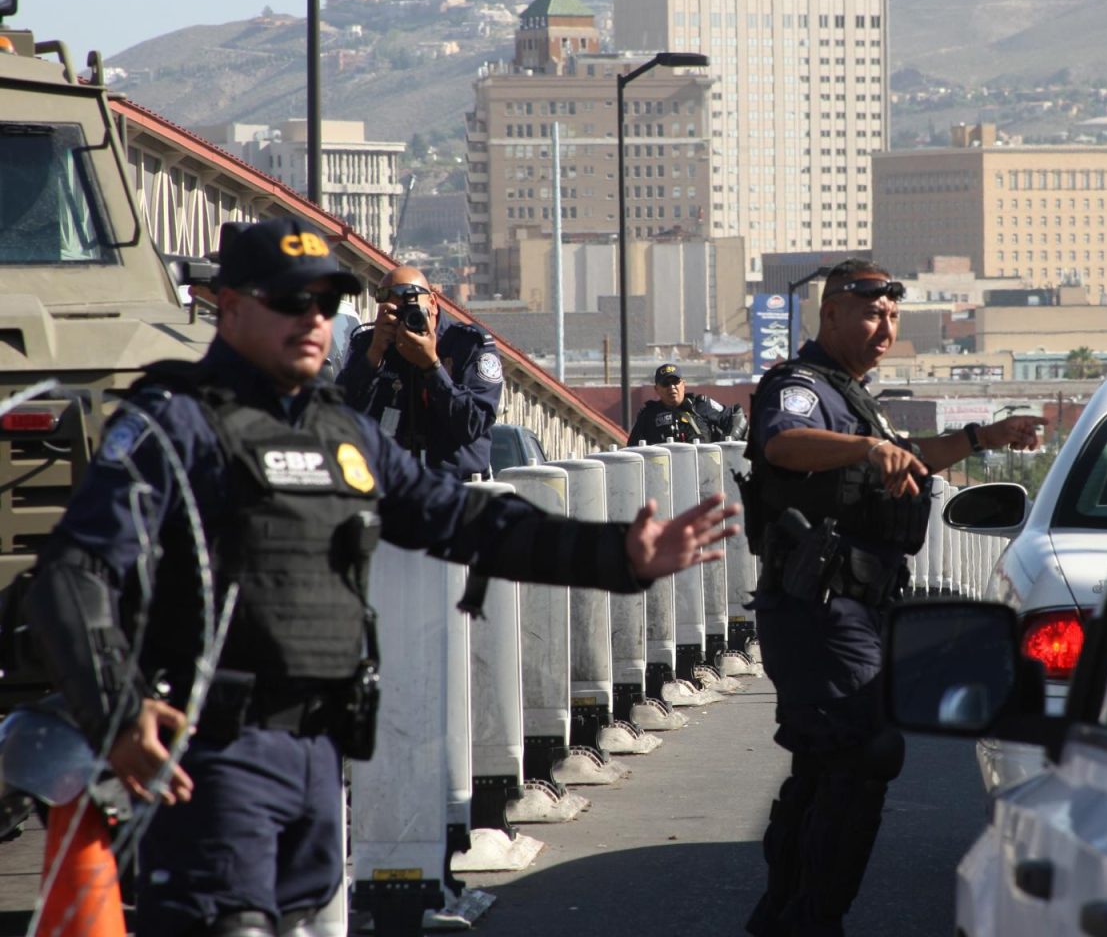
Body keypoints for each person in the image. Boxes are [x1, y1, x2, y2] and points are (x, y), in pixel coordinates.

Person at [21, 215, 737, 937]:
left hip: (322, 760)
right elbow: (73, 573)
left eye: (326, 303)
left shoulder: (338, 432)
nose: (314, 320)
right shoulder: (172, 424)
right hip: (212, 756)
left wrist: (619, 555)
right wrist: (117, 712)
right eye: (289, 301)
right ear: (229, 306)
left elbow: (464, 520)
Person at [740, 258, 1044, 937]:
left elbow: (904, 458)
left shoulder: (852, 395)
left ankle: (784, 917)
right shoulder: (800, 387)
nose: (886, 329)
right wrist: (861, 451)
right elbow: (782, 445)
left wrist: (982, 438)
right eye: (873, 314)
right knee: (861, 755)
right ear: (832, 314)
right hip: (818, 605)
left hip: (855, 607)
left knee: (827, 762)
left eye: (894, 318)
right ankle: (813, 920)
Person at [336, 265, 501, 480]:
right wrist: (374, 355)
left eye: (409, 299)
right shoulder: (370, 344)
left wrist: (432, 366)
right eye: (394, 308)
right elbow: (339, 414)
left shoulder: (468, 345)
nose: (404, 314)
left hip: (457, 487)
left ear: (432, 302)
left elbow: (473, 423)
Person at [626, 363, 745, 446]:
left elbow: (738, 417)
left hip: (705, 475)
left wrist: (726, 444)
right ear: (656, 389)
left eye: (675, 382)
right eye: (665, 383)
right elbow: (632, 450)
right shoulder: (648, 415)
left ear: (683, 384)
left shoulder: (700, 405)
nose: (672, 387)